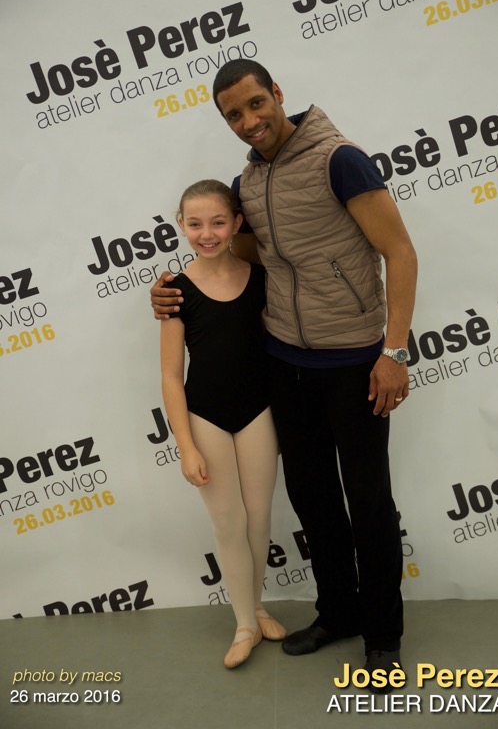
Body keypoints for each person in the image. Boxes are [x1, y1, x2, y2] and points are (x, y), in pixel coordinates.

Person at [153, 61, 418, 693]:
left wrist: (395, 351)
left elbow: (400, 252)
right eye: (233, 115)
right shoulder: (247, 182)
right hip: (285, 364)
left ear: (277, 94)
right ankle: (339, 612)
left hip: (354, 362)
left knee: (368, 501)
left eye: (255, 103)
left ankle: (383, 637)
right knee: (313, 499)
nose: (249, 121)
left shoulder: (340, 161)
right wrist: (174, 288)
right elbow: (244, 253)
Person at [160, 178, 285, 669]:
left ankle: (256, 605)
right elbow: (171, 377)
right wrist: (186, 446)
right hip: (205, 417)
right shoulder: (175, 292)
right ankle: (244, 625)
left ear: (236, 223)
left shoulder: (261, 279)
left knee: (259, 519)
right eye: (195, 224)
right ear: (181, 226)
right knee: (229, 522)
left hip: (257, 412)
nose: (207, 233)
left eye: (217, 222)